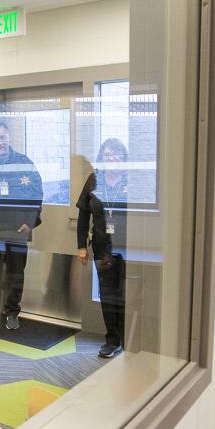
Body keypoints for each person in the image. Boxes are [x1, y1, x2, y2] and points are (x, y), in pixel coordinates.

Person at [0, 121, 43, 339]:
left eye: (2, 137)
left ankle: (12, 312)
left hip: (18, 230)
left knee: (15, 275)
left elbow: (37, 193)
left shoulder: (24, 163)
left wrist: (30, 221)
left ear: (9, 138)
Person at [76, 138, 129, 358]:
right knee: (108, 295)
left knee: (128, 295)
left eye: (116, 154)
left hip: (128, 247)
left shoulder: (132, 181)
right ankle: (113, 339)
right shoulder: (94, 180)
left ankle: (130, 338)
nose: (112, 158)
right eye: (107, 155)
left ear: (124, 159)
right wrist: (81, 246)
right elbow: (82, 216)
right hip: (103, 248)